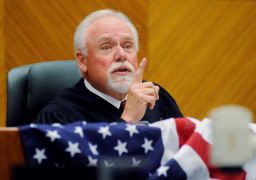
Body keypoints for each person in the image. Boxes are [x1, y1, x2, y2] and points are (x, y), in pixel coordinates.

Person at [33, 9, 183, 124]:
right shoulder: (58, 116)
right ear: (83, 61)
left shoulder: (156, 97)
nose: (121, 55)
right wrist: (128, 119)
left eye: (127, 45)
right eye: (106, 47)